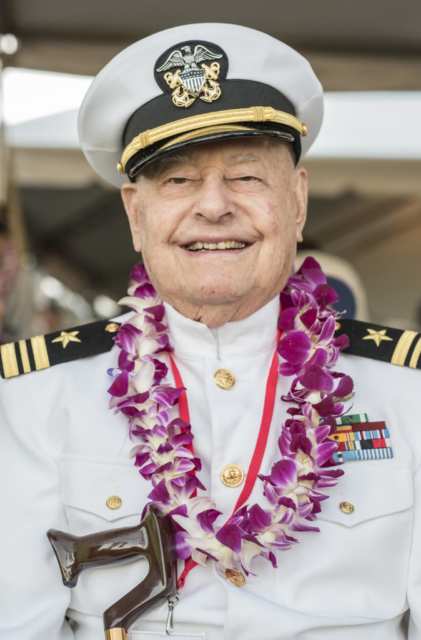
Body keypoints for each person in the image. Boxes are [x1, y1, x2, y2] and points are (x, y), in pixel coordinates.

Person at [0, 23, 420, 640]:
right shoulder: (34, 396)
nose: (215, 205)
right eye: (178, 180)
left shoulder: (405, 389)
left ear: (298, 202)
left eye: (247, 176)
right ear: (135, 214)